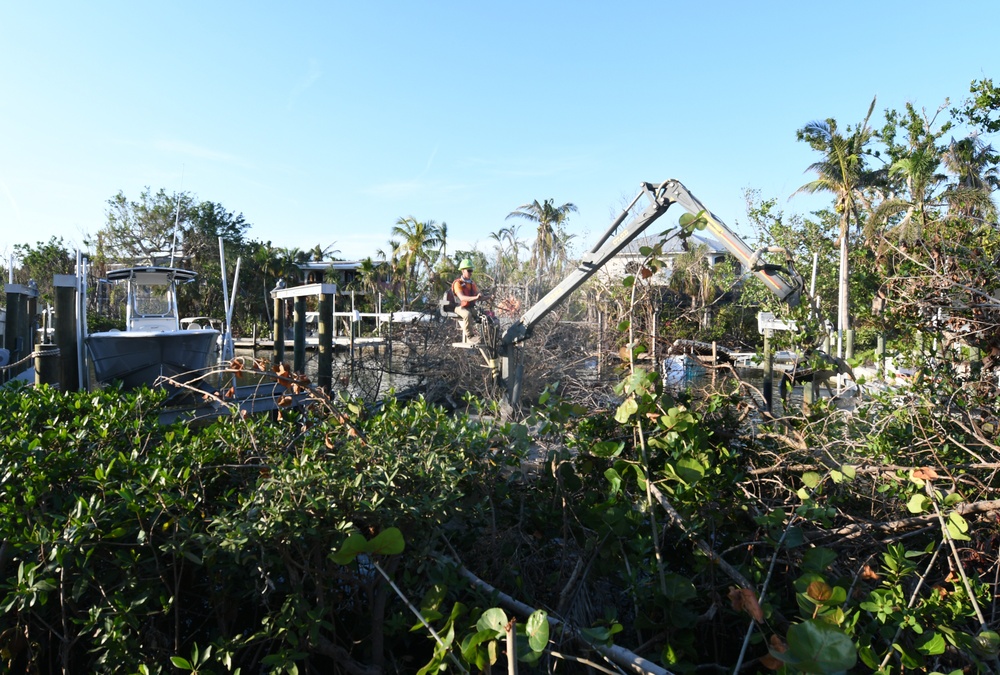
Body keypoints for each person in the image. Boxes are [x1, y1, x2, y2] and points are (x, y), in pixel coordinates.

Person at [452, 259, 482, 344]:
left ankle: (483, 335)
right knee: (467, 315)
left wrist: (489, 297)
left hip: (470, 306)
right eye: (469, 270)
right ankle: (470, 336)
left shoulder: (472, 283)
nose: (471, 273)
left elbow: (478, 297)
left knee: (482, 316)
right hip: (459, 307)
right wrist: (475, 297)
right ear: (463, 271)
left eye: (471, 270)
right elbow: (462, 298)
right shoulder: (458, 283)